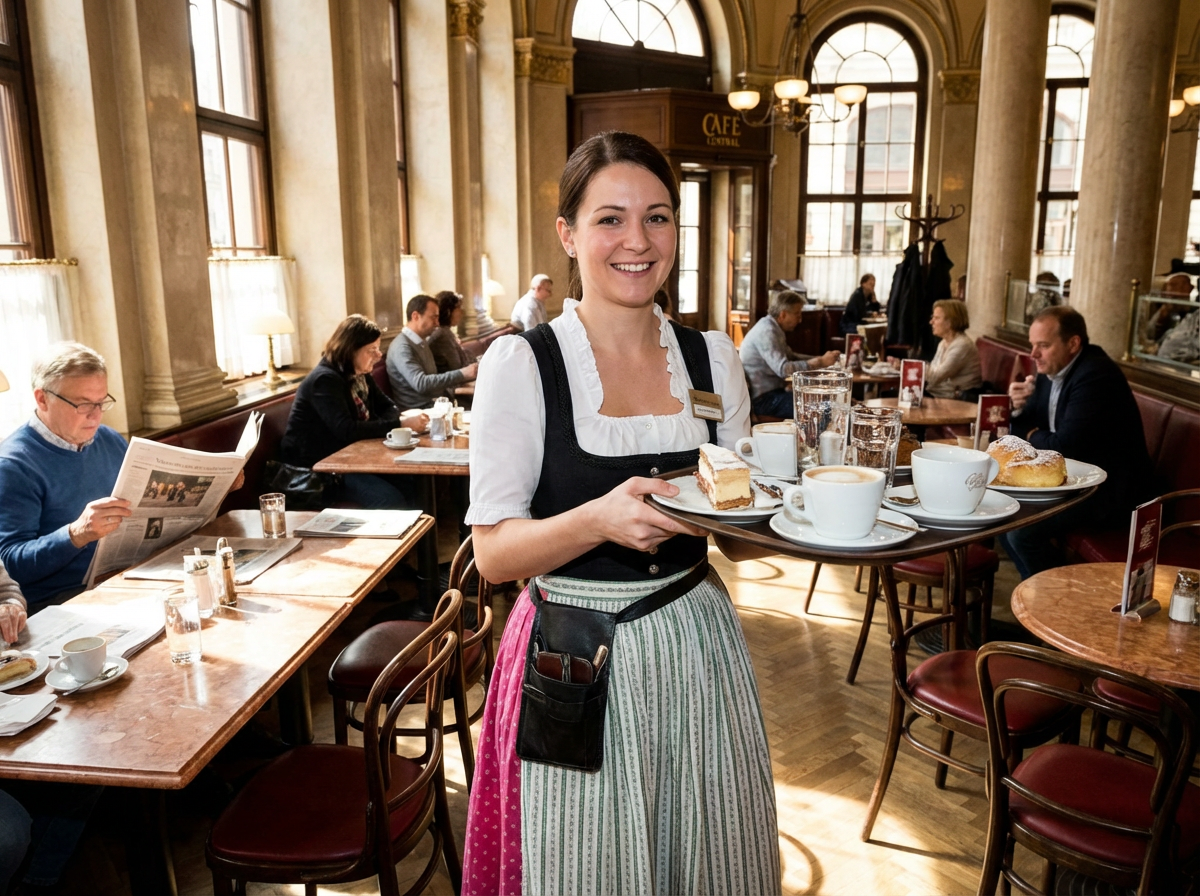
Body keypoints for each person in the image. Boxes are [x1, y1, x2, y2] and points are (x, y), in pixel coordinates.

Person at [461, 131, 779, 895]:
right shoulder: (524, 364)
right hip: (574, 653)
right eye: (610, 219)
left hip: (696, 643)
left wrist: (801, 505)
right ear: (569, 234)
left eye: (657, 217)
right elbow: (493, 556)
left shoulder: (713, 359)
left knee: (703, 857)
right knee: (585, 868)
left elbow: (741, 542)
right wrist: (597, 522)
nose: (637, 241)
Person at [1001, 306, 1153, 579]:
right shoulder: (1051, 369)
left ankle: (1054, 595)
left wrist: (1033, 435)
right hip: (1071, 480)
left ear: (1073, 343)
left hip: (1108, 493)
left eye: (1043, 345)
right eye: (1032, 345)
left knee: (1020, 531)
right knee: (1002, 514)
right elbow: (1024, 429)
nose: (1033, 354)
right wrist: (1017, 408)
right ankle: (1039, 589)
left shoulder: (1096, 375)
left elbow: (1064, 446)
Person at [0, 343, 132, 607]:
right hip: (65, 600)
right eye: (83, 404)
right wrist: (75, 534)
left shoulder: (109, 439)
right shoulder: (13, 465)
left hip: (126, 578)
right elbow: (10, 565)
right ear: (42, 399)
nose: (95, 416)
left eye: (101, 402)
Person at [281, 314, 426, 509]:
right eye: (371, 350)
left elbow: (389, 406)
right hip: (319, 470)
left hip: (350, 459)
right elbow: (346, 430)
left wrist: (379, 425)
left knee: (411, 482)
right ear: (350, 350)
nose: (379, 355)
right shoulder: (325, 380)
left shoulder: (359, 374)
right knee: (389, 498)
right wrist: (399, 424)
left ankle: (421, 530)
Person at [739, 290, 841, 418]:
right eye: (797, 314)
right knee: (824, 407)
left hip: (773, 394)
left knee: (826, 399)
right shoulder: (767, 331)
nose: (800, 320)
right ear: (783, 314)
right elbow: (783, 369)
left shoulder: (773, 328)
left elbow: (791, 356)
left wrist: (821, 359)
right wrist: (819, 362)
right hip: (763, 401)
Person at [385, 294, 478, 409]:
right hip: (420, 411)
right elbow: (421, 383)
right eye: (433, 317)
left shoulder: (421, 342)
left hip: (437, 405)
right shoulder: (402, 347)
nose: (437, 323)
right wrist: (462, 374)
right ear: (415, 316)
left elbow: (434, 380)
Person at [925, 298, 982, 399]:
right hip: (940, 394)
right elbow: (933, 374)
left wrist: (910, 367)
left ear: (950, 322)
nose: (931, 322)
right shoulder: (943, 343)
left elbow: (935, 377)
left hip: (957, 399)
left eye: (936, 318)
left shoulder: (962, 345)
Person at [428, 291, 477, 374]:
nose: (462, 311)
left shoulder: (445, 332)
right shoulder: (442, 335)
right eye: (459, 307)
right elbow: (457, 367)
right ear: (448, 311)